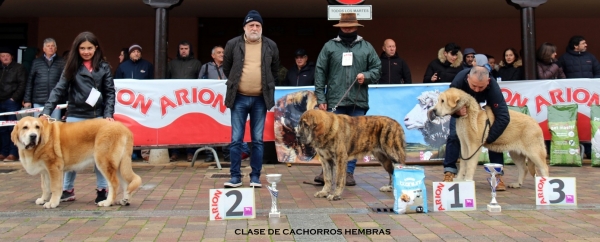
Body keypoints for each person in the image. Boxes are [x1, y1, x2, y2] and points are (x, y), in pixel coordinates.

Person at [40, 31, 115, 204]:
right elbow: (58, 90)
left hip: (97, 117)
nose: (86, 51)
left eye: (89, 48)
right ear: (77, 48)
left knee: (100, 156)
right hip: (75, 115)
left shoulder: (104, 67)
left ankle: (102, 189)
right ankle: (67, 189)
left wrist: (108, 114)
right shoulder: (70, 66)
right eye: (82, 48)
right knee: (68, 155)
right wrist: (46, 112)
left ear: (96, 48)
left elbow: (110, 92)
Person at [313, 12, 381, 186]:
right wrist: (321, 96)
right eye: (344, 26)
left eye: (350, 26)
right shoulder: (329, 47)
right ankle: (326, 171)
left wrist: (366, 76)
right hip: (335, 100)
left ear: (356, 27)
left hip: (358, 101)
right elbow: (320, 71)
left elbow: (377, 69)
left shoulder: (366, 47)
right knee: (329, 138)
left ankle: (348, 173)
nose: (347, 29)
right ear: (339, 27)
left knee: (354, 139)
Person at [222, 10, 280, 188]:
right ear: (244, 28)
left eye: (258, 25)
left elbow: (275, 70)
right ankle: (235, 177)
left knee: (257, 140)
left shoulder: (271, 45)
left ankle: (255, 177)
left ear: (261, 27)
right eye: (251, 25)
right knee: (236, 139)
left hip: (260, 99)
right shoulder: (233, 44)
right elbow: (227, 68)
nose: (254, 28)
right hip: (238, 98)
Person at [442, 54, 510, 191]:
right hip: (461, 111)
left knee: (494, 136)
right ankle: (449, 171)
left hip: (481, 112)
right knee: (454, 135)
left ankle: (497, 174)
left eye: (481, 87)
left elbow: (503, 117)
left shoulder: (493, 86)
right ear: (468, 78)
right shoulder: (459, 80)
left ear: (488, 82)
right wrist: (456, 112)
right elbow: (446, 104)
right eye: (474, 86)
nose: (477, 90)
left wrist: (488, 139)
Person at [200, 46, 251, 162]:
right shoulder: (206, 67)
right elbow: (200, 83)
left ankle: (227, 152)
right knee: (210, 126)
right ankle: (209, 153)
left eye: (223, 52)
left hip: (226, 101)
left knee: (227, 125)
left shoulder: (230, 66)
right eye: (219, 53)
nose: (222, 54)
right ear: (213, 55)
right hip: (210, 103)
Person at [166, 40, 202, 161]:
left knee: (190, 126)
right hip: (174, 101)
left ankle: (190, 152)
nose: (183, 51)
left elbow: (201, 81)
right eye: (181, 48)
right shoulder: (172, 64)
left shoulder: (196, 63)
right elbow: (166, 79)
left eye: (186, 48)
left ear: (190, 50)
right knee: (174, 126)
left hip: (191, 100)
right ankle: (175, 152)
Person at [23, 38, 66, 120]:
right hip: (38, 100)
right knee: (39, 126)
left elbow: (66, 82)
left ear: (56, 49)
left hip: (55, 101)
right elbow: (30, 82)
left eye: (53, 46)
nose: (51, 48)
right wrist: (27, 100)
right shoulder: (36, 62)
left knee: (54, 126)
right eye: (48, 46)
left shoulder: (62, 62)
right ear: (44, 49)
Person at [0, 47, 26, 162]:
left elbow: (22, 84)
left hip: (11, 102)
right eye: (2, 56)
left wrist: (14, 98)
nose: (5, 58)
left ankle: (13, 153)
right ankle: (3, 152)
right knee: (2, 129)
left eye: (7, 55)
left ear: (12, 56)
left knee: (13, 128)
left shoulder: (18, 68)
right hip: (0, 102)